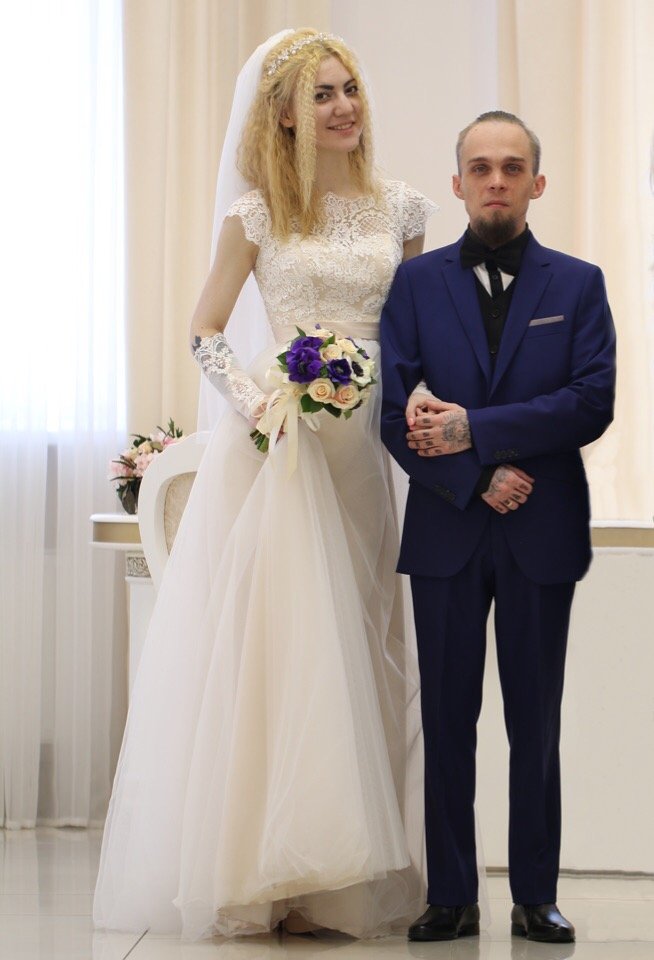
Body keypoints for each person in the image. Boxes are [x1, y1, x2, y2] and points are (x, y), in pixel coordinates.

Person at [93, 29, 437, 940]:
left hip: (367, 445)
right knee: (285, 642)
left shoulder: (404, 208)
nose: (343, 106)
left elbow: (415, 330)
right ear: (283, 114)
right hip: (285, 444)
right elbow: (205, 328)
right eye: (321, 94)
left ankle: (352, 874)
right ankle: (272, 870)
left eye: (349, 88)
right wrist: (258, 404)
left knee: (365, 633)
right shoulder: (256, 215)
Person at [380, 110, 616, 944]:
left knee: (534, 723)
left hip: (541, 530)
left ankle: (535, 895)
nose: (496, 181)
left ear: (536, 183)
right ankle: (450, 895)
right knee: (447, 720)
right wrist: (476, 476)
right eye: (480, 167)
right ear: (457, 184)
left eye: (512, 167)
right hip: (447, 529)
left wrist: (476, 430)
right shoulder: (414, 285)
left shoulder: (578, 284)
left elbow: (591, 402)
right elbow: (393, 413)